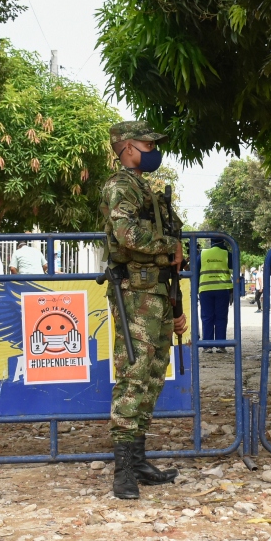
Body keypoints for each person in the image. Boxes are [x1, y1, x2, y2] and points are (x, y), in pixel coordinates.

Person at [100, 120, 186, 500]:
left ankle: (137, 460)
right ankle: (123, 472)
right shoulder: (119, 186)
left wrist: (174, 299)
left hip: (157, 292)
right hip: (134, 294)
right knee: (134, 374)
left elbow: (170, 239)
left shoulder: (145, 189)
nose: (154, 150)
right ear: (128, 148)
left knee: (152, 375)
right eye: (148, 144)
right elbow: (127, 235)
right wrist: (170, 244)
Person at [198, 237, 234, 353]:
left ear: (211, 242)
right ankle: (220, 345)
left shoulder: (203, 254)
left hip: (205, 289)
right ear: (223, 242)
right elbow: (235, 266)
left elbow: (195, 270)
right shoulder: (227, 254)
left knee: (207, 317)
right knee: (221, 317)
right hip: (222, 289)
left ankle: (207, 346)